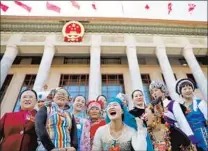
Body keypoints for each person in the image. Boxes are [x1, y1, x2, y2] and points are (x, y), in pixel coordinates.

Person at [149, 81, 197, 145]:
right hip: (163, 141)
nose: (154, 93)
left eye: (156, 90)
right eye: (152, 92)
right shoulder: (153, 109)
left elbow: (182, 121)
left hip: (177, 137)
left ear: (163, 91)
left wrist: (190, 138)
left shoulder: (173, 103)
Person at [176, 78, 208, 151]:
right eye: (184, 89)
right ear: (180, 92)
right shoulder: (179, 107)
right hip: (190, 138)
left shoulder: (200, 103)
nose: (188, 90)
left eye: (189, 88)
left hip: (204, 134)